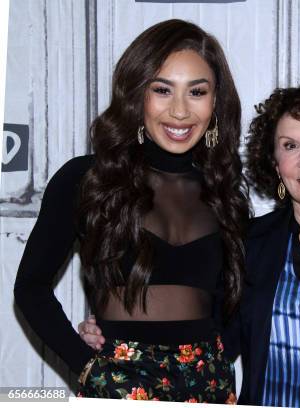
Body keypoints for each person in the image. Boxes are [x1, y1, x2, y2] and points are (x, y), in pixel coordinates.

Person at [80, 79, 300, 407]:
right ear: (276, 164)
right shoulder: (249, 242)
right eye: (289, 146)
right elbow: (209, 340)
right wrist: (120, 330)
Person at [13, 19, 248, 403]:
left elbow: (236, 304)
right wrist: (86, 365)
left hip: (209, 386)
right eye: (162, 89)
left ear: (215, 100)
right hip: (117, 383)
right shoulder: (87, 178)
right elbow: (30, 288)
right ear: (137, 94)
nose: (179, 110)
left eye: (197, 92)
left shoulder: (224, 190)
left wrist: (219, 358)